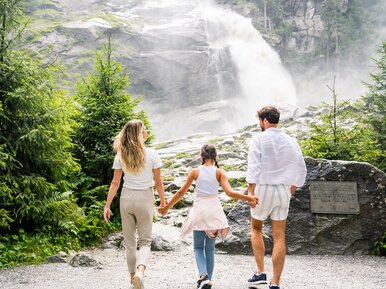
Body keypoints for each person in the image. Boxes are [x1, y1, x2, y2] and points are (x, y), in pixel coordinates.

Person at [158, 144, 258, 289]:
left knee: (198, 248)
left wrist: (167, 207)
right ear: (215, 156)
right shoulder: (219, 172)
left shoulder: (195, 171)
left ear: (202, 156)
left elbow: (181, 193)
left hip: (199, 212)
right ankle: (207, 280)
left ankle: (203, 277)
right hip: (214, 213)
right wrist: (249, 197)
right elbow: (230, 193)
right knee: (210, 249)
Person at [246, 106, 307, 289]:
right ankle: (275, 282)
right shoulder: (291, 141)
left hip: (263, 188)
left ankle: (260, 272)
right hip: (283, 190)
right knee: (280, 236)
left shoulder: (258, 139)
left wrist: (250, 191)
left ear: (264, 120)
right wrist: (292, 187)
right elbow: (300, 167)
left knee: (256, 228)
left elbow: (254, 167)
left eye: (259, 121)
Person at [103, 119, 166, 289]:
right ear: (139, 134)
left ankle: (132, 280)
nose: (146, 133)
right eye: (144, 130)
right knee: (145, 241)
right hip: (145, 198)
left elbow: (115, 182)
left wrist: (107, 206)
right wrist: (163, 203)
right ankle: (140, 273)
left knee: (130, 243)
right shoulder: (152, 154)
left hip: (126, 198)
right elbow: (159, 183)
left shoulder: (120, 154)